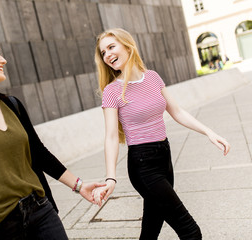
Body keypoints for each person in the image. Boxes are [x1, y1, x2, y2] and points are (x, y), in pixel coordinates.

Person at [0, 31, 105, 240]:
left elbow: (39, 153)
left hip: (41, 210)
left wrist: (79, 186)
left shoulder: (12, 105)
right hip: (1, 225)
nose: (3, 60)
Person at [92, 28, 231, 240]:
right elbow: (111, 136)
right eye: (103, 52)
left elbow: (176, 111)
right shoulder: (112, 91)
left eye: (111, 47)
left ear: (127, 46)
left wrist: (208, 132)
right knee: (190, 231)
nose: (107, 55)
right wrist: (111, 177)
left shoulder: (153, 77)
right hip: (142, 164)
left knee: (151, 226)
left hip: (163, 156)